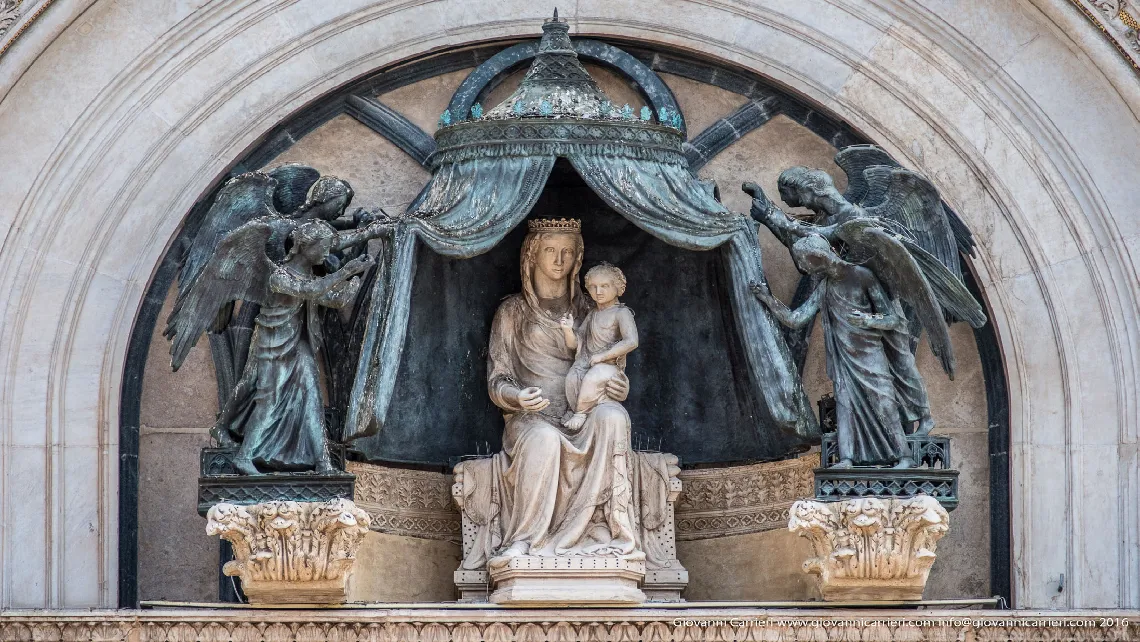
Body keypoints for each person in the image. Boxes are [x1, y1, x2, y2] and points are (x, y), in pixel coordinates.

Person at [485, 218, 641, 565]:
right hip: (532, 416)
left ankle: (608, 528)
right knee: (544, 441)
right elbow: (498, 378)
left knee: (614, 416)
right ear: (531, 255)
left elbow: (615, 360)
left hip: (583, 408)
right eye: (551, 251)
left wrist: (619, 385)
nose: (559, 260)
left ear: (577, 259)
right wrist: (517, 397)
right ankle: (526, 541)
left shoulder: (590, 310)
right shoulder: (513, 311)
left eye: (568, 253)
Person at [750, 234, 931, 469]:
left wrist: (868, 320)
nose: (804, 267)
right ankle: (847, 459)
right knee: (845, 406)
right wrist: (768, 299)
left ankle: (905, 457)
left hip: (869, 354)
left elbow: (893, 318)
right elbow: (796, 318)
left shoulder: (862, 276)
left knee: (884, 402)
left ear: (819, 256)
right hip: (844, 359)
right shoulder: (825, 286)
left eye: (806, 261)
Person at [560, 263, 639, 433]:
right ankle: (574, 409)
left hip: (609, 367)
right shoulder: (593, 314)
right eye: (594, 287)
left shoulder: (621, 313)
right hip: (589, 362)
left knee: (595, 375)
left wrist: (603, 357)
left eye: (605, 286)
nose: (598, 292)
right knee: (573, 376)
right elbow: (575, 344)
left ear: (617, 288)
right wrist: (567, 330)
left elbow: (632, 341)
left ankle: (580, 413)